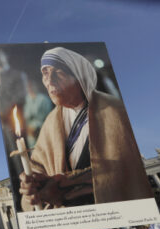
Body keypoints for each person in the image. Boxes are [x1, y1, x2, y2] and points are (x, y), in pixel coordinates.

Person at [19, 46, 153, 211]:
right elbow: (37, 169)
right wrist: (33, 187)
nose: (50, 80)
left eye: (59, 72)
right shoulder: (50, 122)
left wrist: (71, 182)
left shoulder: (115, 110)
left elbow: (130, 168)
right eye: (45, 73)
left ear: (79, 76)